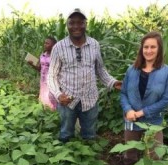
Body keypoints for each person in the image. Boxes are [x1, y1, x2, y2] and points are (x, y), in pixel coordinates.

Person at [48, 8, 122, 142]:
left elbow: (100, 70)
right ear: (67, 25)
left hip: (90, 99)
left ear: (85, 24)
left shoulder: (94, 44)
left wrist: (113, 82)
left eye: (80, 22)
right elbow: (51, 75)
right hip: (67, 100)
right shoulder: (58, 47)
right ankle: (66, 159)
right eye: (72, 23)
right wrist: (58, 95)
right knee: (66, 134)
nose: (76, 26)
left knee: (89, 135)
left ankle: (88, 159)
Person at [120, 31, 168, 165]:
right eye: (146, 47)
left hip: (153, 122)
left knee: (155, 156)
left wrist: (141, 113)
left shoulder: (167, 72)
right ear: (141, 49)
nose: (149, 50)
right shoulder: (131, 70)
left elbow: (165, 100)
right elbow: (123, 93)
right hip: (131, 119)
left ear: (159, 49)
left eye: (153, 47)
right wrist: (128, 110)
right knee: (130, 155)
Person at [28, 37, 57, 111]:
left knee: (51, 101)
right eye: (44, 43)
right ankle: (44, 115)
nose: (45, 45)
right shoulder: (43, 55)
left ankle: (53, 116)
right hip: (43, 81)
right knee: (44, 99)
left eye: (47, 43)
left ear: (53, 45)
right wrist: (32, 64)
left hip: (52, 82)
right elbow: (40, 69)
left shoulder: (56, 56)